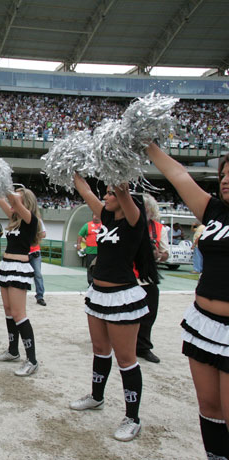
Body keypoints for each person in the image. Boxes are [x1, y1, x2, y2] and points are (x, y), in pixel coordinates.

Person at [146, 143, 229, 458]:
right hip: (204, 325)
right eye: (222, 174)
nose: (224, 179)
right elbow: (178, 174)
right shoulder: (214, 211)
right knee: (209, 407)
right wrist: (150, 147)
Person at [70, 174, 157, 442]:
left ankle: (133, 418)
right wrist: (74, 170)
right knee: (100, 350)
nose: (105, 196)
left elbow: (123, 191)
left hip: (122, 296)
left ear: (123, 197)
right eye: (106, 193)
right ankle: (97, 397)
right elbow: (85, 192)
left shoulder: (134, 220)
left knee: (126, 359)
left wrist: (117, 175)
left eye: (110, 193)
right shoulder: (106, 217)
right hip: (98, 294)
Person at [0, 188, 43, 377]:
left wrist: (5, 183)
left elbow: (13, 200)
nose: (13, 198)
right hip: (6, 266)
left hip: (19, 268)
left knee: (18, 313)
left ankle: (32, 360)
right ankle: (13, 350)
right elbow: (0, 199)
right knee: (8, 310)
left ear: (25, 201)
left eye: (17, 196)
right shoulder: (15, 219)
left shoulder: (31, 219)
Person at [135, 193, 169, 364]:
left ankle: (142, 346)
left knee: (149, 313)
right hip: (128, 276)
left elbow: (166, 254)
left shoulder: (159, 228)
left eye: (146, 207)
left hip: (148, 276)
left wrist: (158, 255)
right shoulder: (129, 224)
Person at [77, 214, 102, 286]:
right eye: (94, 215)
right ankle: (91, 282)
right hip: (91, 250)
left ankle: (99, 282)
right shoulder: (87, 225)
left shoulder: (104, 225)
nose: (95, 217)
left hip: (102, 250)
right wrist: (78, 244)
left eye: (96, 215)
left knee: (101, 267)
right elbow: (80, 235)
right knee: (90, 267)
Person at [29, 219, 47, 306]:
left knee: (38, 274)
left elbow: (44, 234)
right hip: (22, 252)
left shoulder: (37, 221)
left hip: (34, 252)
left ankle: (40, 296)